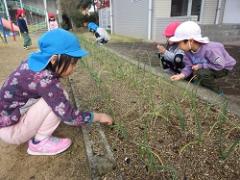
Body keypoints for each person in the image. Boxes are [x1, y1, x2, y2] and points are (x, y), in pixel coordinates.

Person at [0, 29, 112, 156]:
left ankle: (35, 133)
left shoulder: (36, 62)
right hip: (12, 131)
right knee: (59, 98)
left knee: (55, 97)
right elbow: (70, 117)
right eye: (73, 63)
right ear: (54, 59)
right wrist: (99, 116)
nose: (74, 68)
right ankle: (39, 143)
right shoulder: (44, 79)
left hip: (7, 120)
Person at [169, 21, 236, 93]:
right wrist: (180, 75)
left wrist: (201, 66)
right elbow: (188, 66)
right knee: (198, 76)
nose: (178, 46)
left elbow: (220, 65)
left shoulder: (211, 50)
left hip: (224, 67)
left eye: (179, 43)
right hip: (210, 65)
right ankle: (202, 86)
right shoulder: (187, 52)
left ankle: (218, 93)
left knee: (202, 74)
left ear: (190, 41)